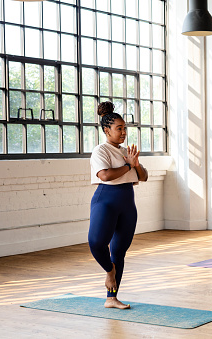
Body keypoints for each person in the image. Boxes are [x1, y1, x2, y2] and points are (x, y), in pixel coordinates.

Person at [88, 101, 148, 309]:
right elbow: (105, 175)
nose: (123, 132)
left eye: (125, 128)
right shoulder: (101, 150)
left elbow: (144, 176)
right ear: (107, 130)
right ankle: (109, 271)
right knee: (96, 243)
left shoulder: (126, 151)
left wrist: (137, 165)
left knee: (119, 252)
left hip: (127, 203)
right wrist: (128, 165)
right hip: (106, 201)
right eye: (119, 128)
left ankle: (111, 298)